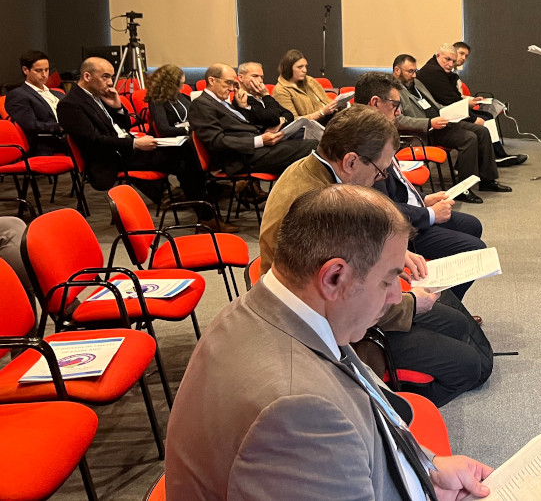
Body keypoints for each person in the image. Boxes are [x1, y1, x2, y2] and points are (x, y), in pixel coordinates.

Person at [165, 185, 494, 500]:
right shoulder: (297, 413)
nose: (396, 296)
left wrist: (428, 469)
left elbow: (368, 410)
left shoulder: (279, 309)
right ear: (335, 276)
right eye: (388, 280)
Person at [258, 105, 492, 407]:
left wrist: (394, 257)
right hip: (327, 326)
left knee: (458, 327)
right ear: (351, 161)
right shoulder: (322, 207)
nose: (378, 179)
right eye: (380, 171)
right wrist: (409, 304)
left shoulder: (310, 171)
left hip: (334, 306)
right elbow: (340, 300)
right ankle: (377, 406)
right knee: (471, 365)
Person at [355, 72, 487, 297]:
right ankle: (441, 304)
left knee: (472, 225)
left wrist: (425, 199)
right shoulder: (364, 144)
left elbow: (398, 184)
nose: (399, 112)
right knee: (474, 250)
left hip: (408, 210)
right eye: (395, 105)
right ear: (375, 103)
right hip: (397, 228)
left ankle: (447, 301)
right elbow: (383, 208)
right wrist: (431, 214)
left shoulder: (376, 133)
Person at [57, 57, 207, 204]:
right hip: (111, 157)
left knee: (185, 152)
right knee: (183, 155)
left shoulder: (99, 94)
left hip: (126, 147)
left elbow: (124, 127)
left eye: (111, 77)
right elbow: (94, 141)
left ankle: (190, 198)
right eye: (105, 77)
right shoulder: (70, 104)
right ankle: (197, 201)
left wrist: (118, 108)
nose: (110, 82)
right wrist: (134, 144)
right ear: (87, 76)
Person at [393, 54, 510, 205]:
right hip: (425, 132)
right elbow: (398, 121)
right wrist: (429, 122)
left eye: (415, 71)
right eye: (410, 71)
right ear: (397, 70)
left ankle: (487, 180)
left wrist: (455, 110)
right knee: (469, 138)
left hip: (441, 121)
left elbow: (435, 105)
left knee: (482, 130)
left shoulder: (417, 84)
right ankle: (463, 189)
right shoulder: (393, 91)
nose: (414, 75)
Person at [189, 63, 317, 176]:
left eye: (234, 84)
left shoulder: (222, 103)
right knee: (313, 147)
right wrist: (259, 140)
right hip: (241, 158)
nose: (232, 88)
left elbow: (244, 125)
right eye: (228, 83)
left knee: (312, 145)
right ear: (212, 81)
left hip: (255, 150)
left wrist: (244, 107)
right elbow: (217, 141)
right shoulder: (201, 104)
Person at [416, 44, 526, 167]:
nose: (451, 64)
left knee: (486, 117)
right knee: (483, 121)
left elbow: (454, 97)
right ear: (438, 56)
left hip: (446, 109)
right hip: (441, 115)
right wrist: (472, 118)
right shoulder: (434, 72)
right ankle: (493, 157)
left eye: (454, 60)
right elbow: (451, 100)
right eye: (448, 59)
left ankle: (493, 156)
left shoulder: (442, 71)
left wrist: (470, 103)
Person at [5, 50, 68, 156]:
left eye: (47, 70)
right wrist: (61, 127)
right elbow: (31, 126)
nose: (44, 75)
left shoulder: (58, 94)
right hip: (47, 145)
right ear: (25, 70)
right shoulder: (18, 95)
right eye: (39, 70)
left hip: (70, 139)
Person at [273, 49, 340, 125]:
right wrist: (321, 113)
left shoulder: (309, 80)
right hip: (311, 126)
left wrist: (338, 104)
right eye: (300, 67)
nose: (305, 70)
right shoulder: (280, 90)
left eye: (305, 66)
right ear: (288, 68)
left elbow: (326, 100)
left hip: (329, 118)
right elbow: (292, 121)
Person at [236, 60, 293, 127]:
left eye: (261, 77)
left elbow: (289, 114)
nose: (260, 80)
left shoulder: (260, 95)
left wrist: (282, 120)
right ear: (241, 78)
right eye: (255, 76)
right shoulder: (241, 99)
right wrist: (266, 95)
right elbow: (273, 119)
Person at [145, 63, 193, 137]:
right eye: (180, 84)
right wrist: (187, 129)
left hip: (188, 135)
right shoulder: (156, 101)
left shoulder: (180, 96)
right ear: (170, 85)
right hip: (175, 139)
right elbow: (164, 130)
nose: (182, 87)